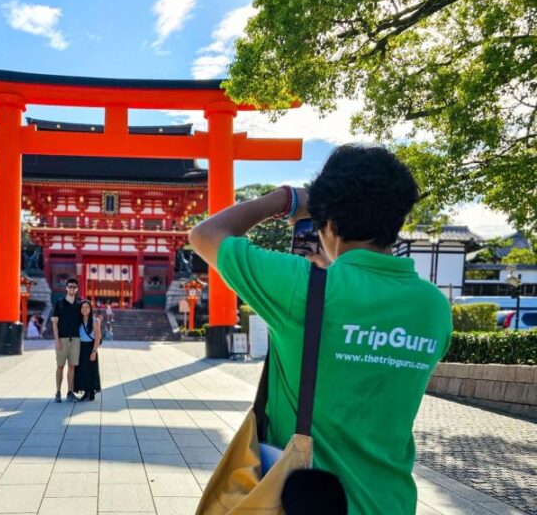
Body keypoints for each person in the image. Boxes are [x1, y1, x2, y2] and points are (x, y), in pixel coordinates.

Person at [189, 145, 452, 515]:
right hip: (391, 502)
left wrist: (287, 200)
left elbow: (205, 234)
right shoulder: (433, 307)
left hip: (307, 503)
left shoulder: (302, 289)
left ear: (327, 220)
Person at [51, 278, 82, 402]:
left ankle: (70, 392)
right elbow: (54, 323)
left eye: (74, 287)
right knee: (60, 366)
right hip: (62, 339)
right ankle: (58, 392)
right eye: (70, 286)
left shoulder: (79, 305)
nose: (72, 288)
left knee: (72, 367)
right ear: (66, 288)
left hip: (75, 339)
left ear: (77, 289)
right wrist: (57, 340)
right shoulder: (59, 303)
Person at [74, 300, 102, 402]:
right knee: (82, 370)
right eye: (82, 307)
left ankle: (91, 392)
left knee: (91, 370)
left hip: (91, 347)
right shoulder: (78, 321)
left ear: (90, 309)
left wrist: (94, 351)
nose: (84, 309)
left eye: (87, 307)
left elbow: (97, 338)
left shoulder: (95, 321)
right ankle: (86, 392)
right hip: (81, 348)